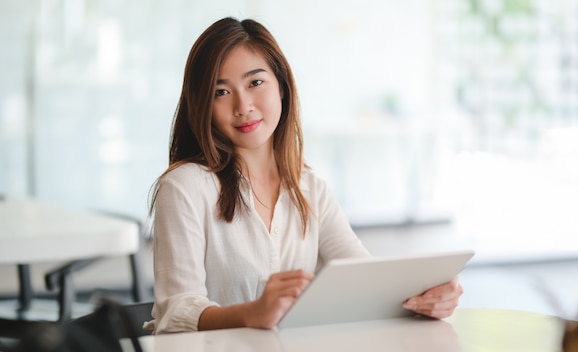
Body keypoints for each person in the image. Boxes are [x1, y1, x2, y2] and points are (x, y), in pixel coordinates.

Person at [147, 16, 463, 334]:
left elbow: (364, 278)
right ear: (202, 105)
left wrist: (428, 297)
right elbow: (176, 311)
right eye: (221, 92)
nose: (243, 106)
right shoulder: (184, 187)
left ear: (282, 88)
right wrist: (253, 313)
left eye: (255, 83)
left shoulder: (310, 189)